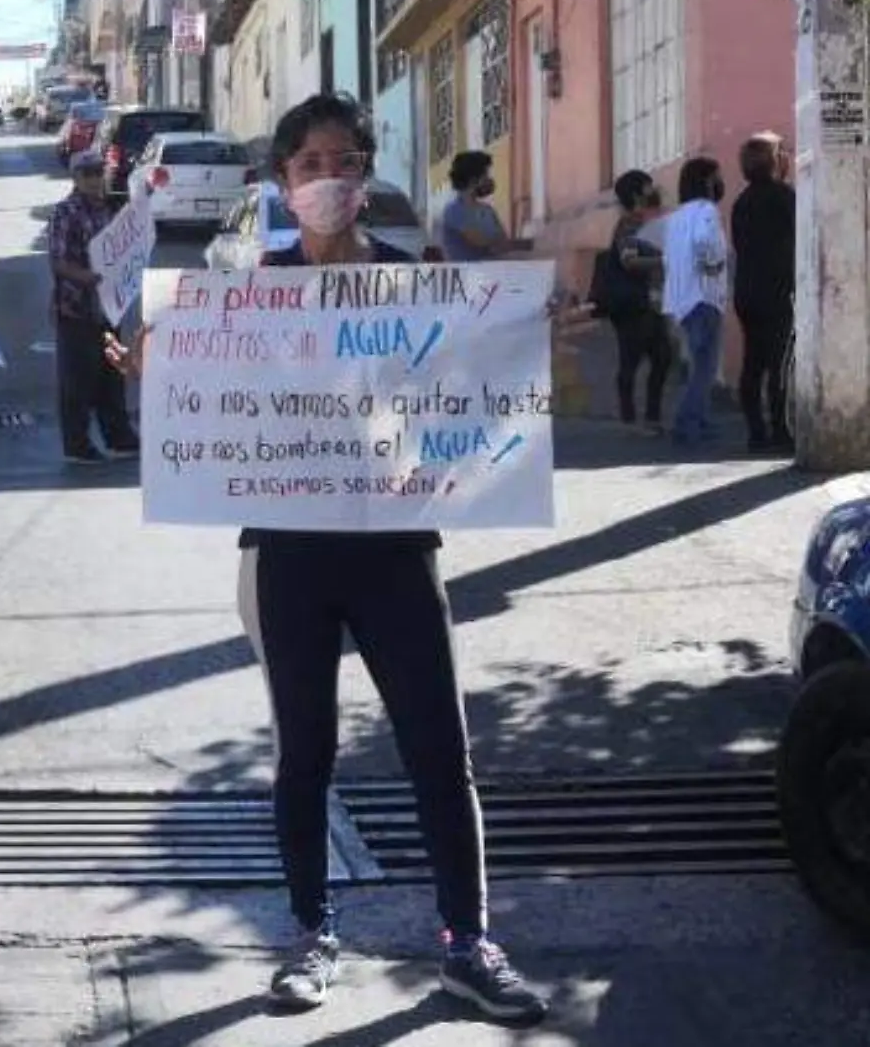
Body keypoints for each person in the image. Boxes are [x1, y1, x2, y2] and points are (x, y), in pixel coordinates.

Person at [108, 93, 548, 1023]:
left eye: (345, 161)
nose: (328, 180)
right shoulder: (246, 295)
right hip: (289, 559)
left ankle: (468, 945)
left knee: (440, 748)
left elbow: (467, 382)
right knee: (303, 752)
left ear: (365, 174)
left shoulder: (415, 283)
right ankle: (310, 936)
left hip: (394, 549)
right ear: (281, 181)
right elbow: (190, 389)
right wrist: (153, 366)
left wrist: (530, 347)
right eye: (309, 165)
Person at [45, 149, 138, 463]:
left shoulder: (110, 209)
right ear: (75, 177)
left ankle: (119, 438)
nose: (95, 179)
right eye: (87, 173)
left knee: (112, 374)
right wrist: (90, 278)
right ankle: (77, 444)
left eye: (98, 172)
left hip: (109, 307)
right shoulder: (65, 212)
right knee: (77, 381)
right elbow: (58, 263)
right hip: (76, 308)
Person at [731, 133, 795, 452]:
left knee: (753, 362)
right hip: (778, 291)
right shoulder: (785, 197)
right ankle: (781, 430)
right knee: (779, 362)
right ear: (774, 160)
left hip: (747, 291)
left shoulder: (741, 202)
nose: (788, 157)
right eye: (783, 152)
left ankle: (756, 431)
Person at [662, 156, 731, 448]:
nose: (719, 182)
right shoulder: (707, 210)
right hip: (704, 297)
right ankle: (686, 422)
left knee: (697, 364)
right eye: (716, 176)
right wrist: (712, 265)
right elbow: (705, 242)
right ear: (706, 181)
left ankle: (699, 420)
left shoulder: (676, 217)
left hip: (681, 299)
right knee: (705, 366)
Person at [597, 170, 671, 434]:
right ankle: (629, 419)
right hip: (632, 305)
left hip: (649, 302)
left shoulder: (644, 222)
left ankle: (652, 416)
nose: (654, 190)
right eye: (648, 186)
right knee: (632, 359)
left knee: (662, 357)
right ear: (637, 193)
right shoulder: (628, 225)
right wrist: (664, 261)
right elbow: (629, 260)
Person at [438, 150, 515, 262]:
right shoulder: (454, 211)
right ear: (473, 180)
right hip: (467, 276)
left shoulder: (488, 211)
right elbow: (480, 242)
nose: (489, 180)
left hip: (494, 274)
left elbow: (504, 243)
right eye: (486, 175)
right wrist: (526, 245)